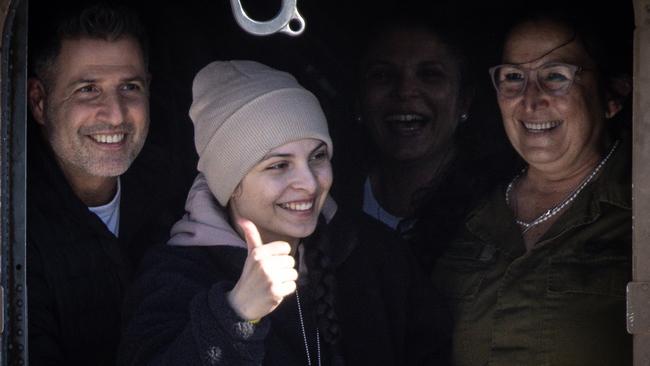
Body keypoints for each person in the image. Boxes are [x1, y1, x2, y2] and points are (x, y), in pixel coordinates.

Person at [118, 60, 450, 365]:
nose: (308, 183)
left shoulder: (374, 253)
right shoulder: (173, 275)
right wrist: (237, 314)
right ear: (229, 183)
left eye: (317, 157)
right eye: (279, 165)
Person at [432, 13, 633, 366]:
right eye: (513, 78)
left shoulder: (636, 211)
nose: (531, 99)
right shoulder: (463, 208)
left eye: (556, 76)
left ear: (611, 97)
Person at [26, 3, 184, 365]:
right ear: (38, 101)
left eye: (129, 87)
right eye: (88, 90)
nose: (115, 114)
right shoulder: (16, 227)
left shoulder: (178, 188)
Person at [333, 12, 511, 267]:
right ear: (359, 101)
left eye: (429, 74)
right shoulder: (328, 196)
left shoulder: (503, 209)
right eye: (383, 75)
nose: (405, 91)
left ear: (465, 101)